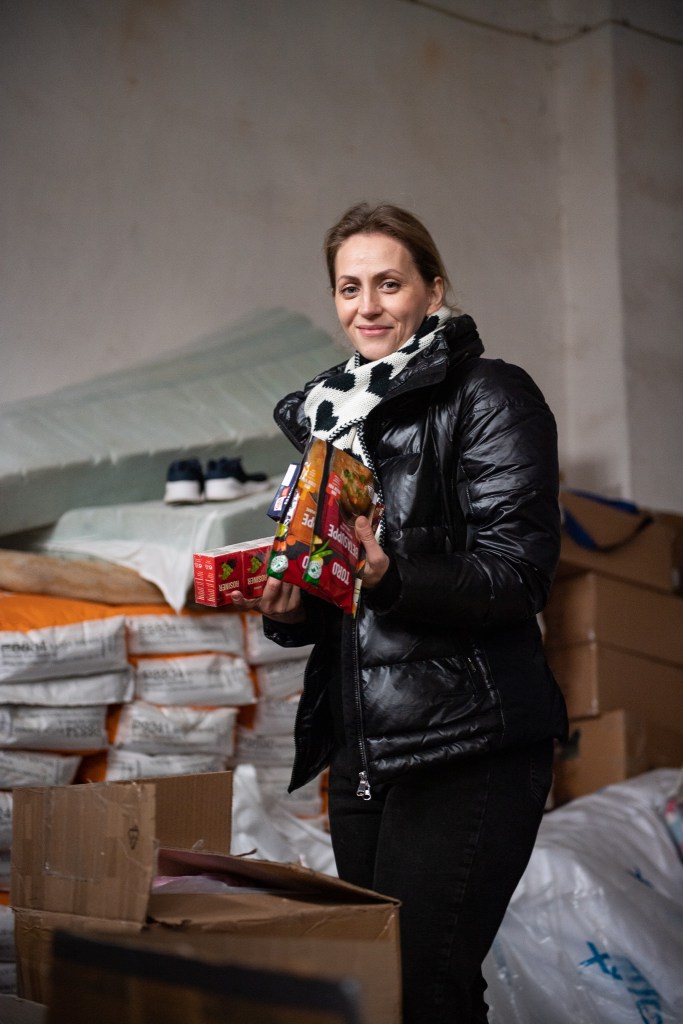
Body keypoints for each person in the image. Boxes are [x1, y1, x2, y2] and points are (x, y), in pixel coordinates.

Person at [231, 201, 568, 1024]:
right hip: (366, 755)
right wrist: (290, 608)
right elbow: (346, 604)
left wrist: (386, 577)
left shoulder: (490, 396)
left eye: (389, 283)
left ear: (433, 290)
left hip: (469, 744)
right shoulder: (332, 424)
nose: (367, 306)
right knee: (380, 993)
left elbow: (516, 576)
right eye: (349, 287)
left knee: (422, 986)